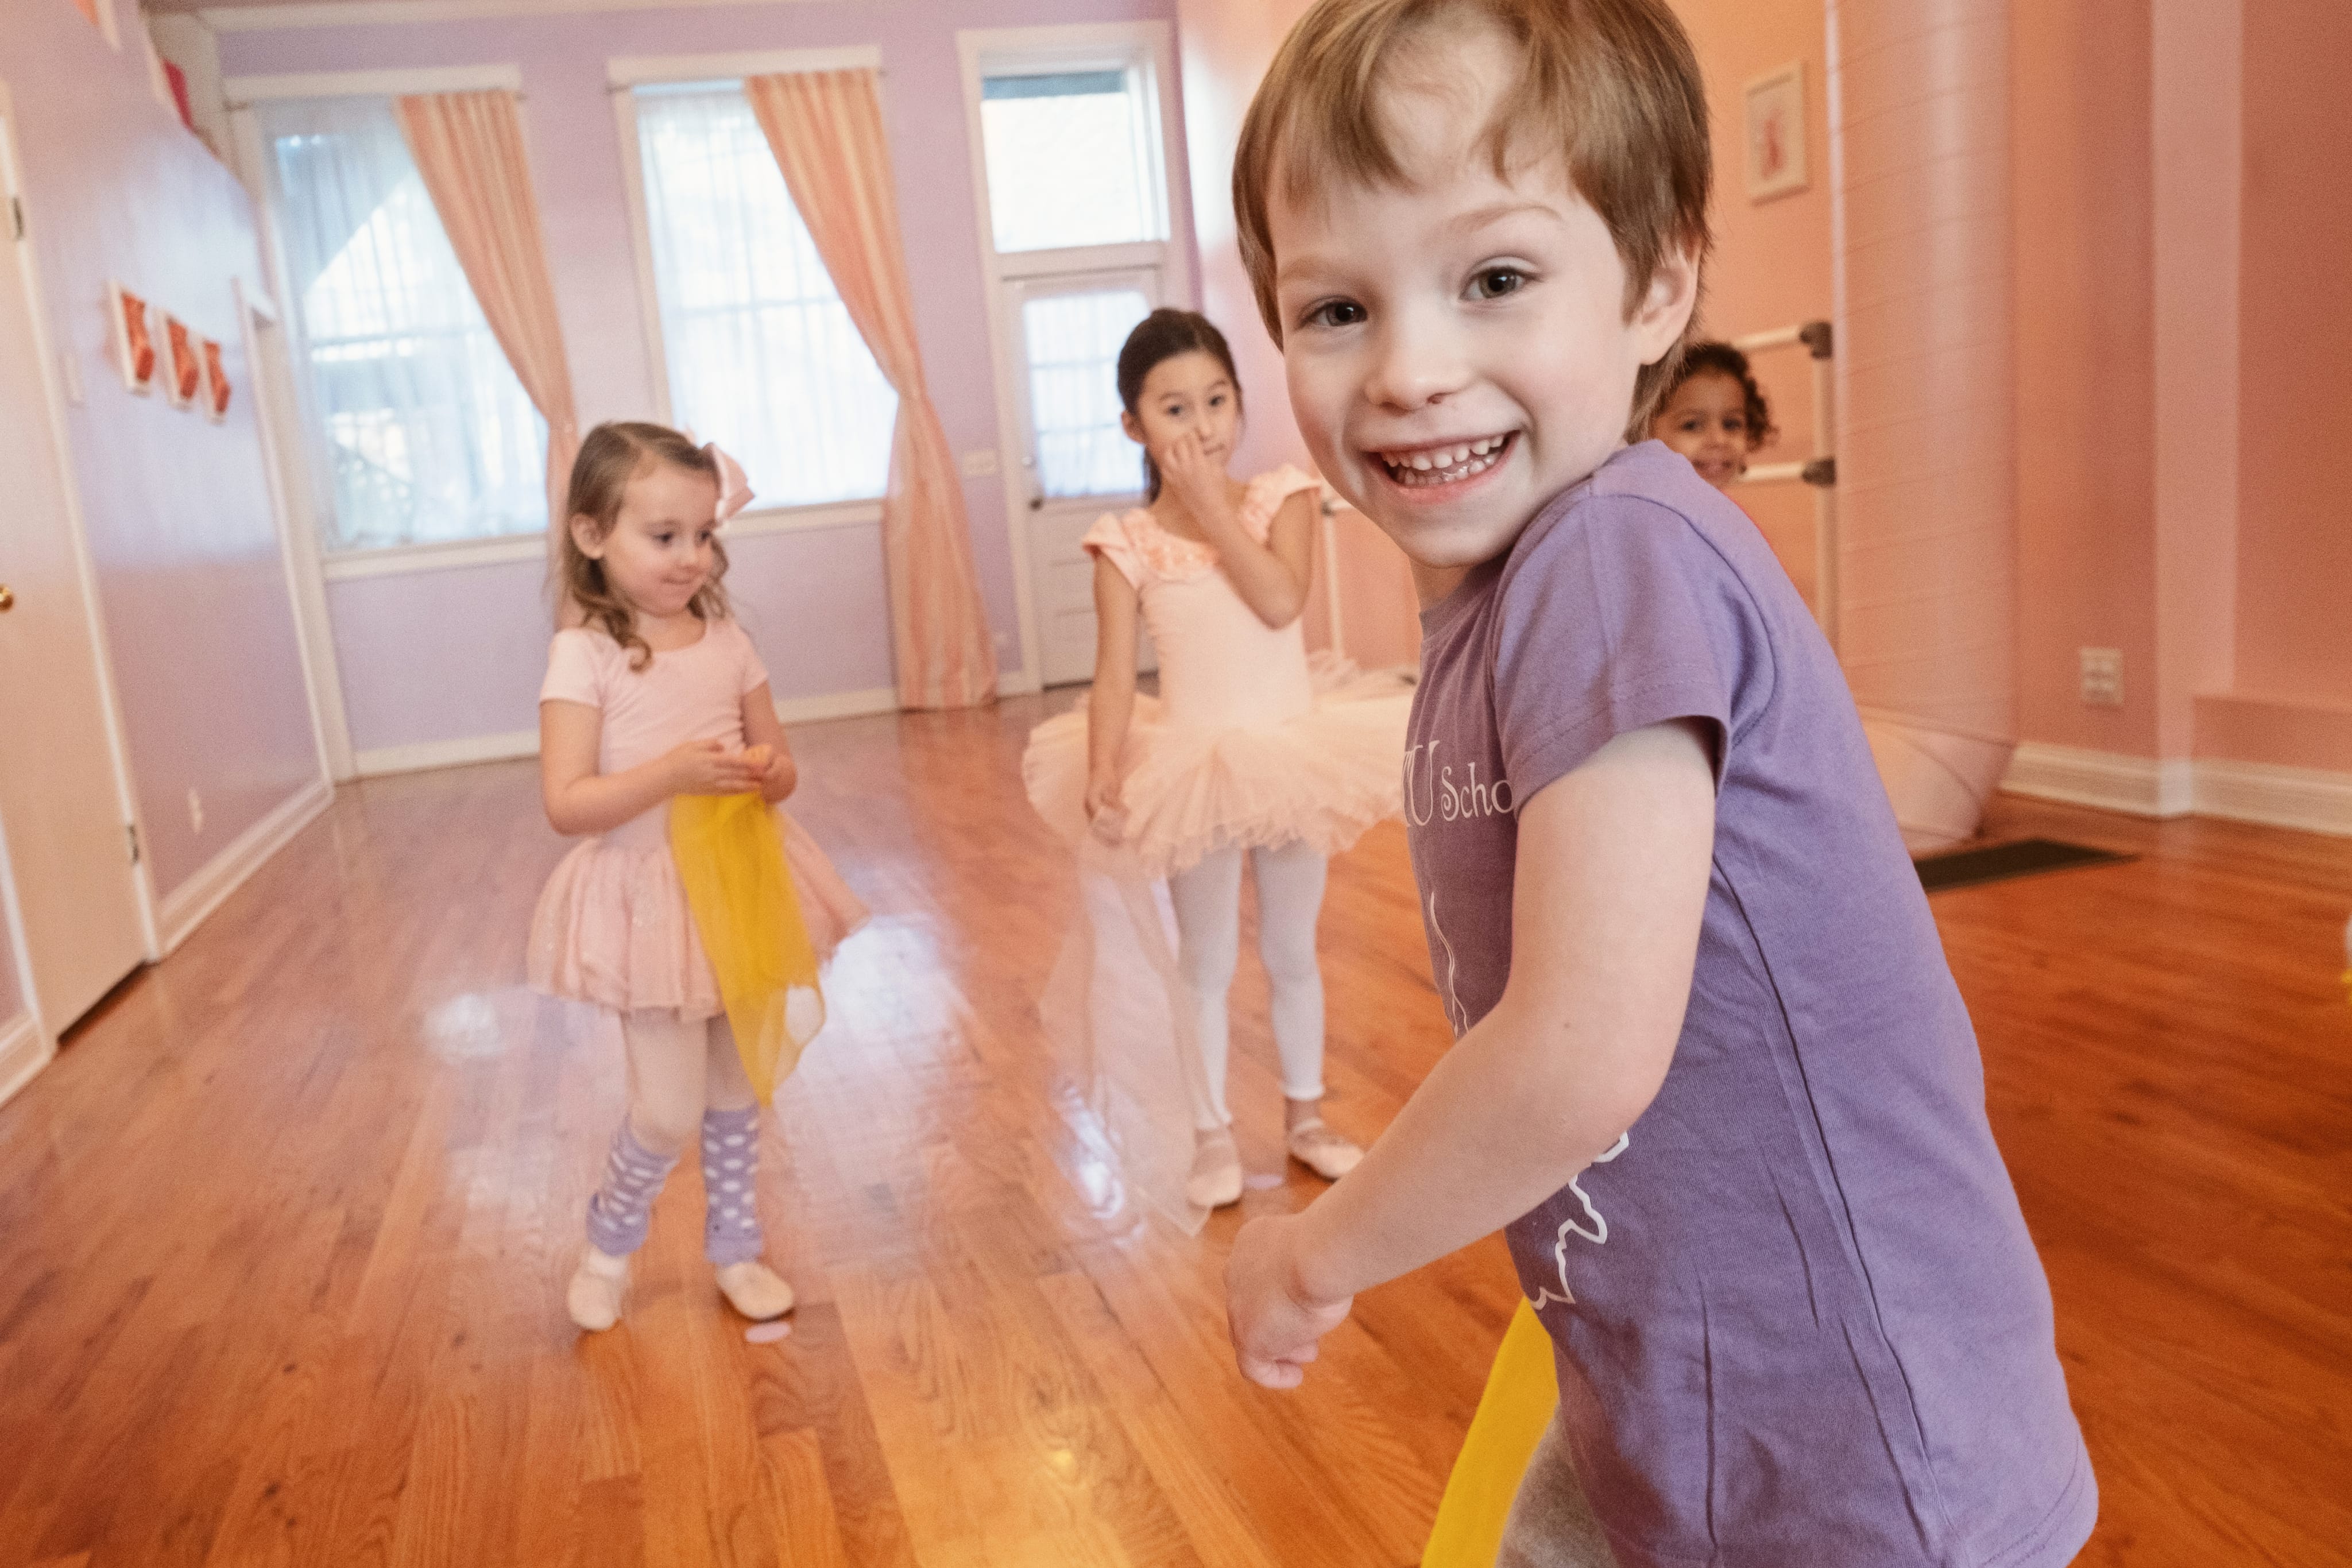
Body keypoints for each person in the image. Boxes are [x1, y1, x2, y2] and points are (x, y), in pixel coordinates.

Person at [1220, 3, 2097, 1564]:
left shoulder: (1614, 552)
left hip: (1849, 1438)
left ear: (1658, 289)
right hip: (1685, 1399)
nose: (1411, 370)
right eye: (1337, 307)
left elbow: (1577, 1052)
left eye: (1495, 280)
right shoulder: (1504, 602)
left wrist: (1313, 1255)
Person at [1023, 308, 1410, 1224]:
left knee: (1291, 948)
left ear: (1239, 403)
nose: (1201, 426)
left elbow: (1279, 601)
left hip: (1290, 754)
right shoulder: (1123, 542)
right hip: (1192, 767)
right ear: (1133, 425)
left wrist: (1209, 506)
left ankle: (1307, 1117)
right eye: (1174, 409)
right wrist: (1104, 763)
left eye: (1216, 401)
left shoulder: (1283, 496)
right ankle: (1210, 1134)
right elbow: (1114, 672)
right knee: (1204, 957)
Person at [529, 421, 868, 1333]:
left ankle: (737, 1247)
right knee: (667, 1105)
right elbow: (567, 801)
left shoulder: (728, 640)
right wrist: (673, 772)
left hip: (743, 879)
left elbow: (783, 767)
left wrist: (765, 770)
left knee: (735, 1088)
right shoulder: (583, 653)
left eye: (704, 534)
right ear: (593, 534)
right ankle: (608, 1243)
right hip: (649, 903)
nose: (691, 556)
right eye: (664, 535)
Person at [1648, 341, 1774, 490]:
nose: (1719, 440)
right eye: (1692, 425)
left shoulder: (1728, 506)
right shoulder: (1637, 504)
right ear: (1645, 431)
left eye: (1731, 424)